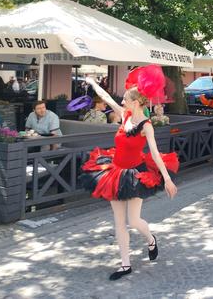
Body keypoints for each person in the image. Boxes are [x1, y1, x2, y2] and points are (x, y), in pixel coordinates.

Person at [79, 73, 178, 281]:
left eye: (125, 99)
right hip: (114, 171)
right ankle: (125, 265)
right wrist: (92, 83)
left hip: (135, 175)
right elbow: (105, 97)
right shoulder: (124, 115)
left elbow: (154, 151)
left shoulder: (146, 126)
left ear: (135, 102)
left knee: (133, 221)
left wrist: (167, 179)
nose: (122, 101)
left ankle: (151, 239)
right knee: (119, 222)